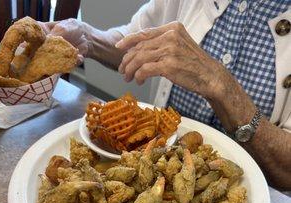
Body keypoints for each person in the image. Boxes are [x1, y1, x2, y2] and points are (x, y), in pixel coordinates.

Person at [41, 0, 291, 190]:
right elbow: (134, 39)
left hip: (256, 199)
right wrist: (88, 37)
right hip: (157, 172)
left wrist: (221, 85)